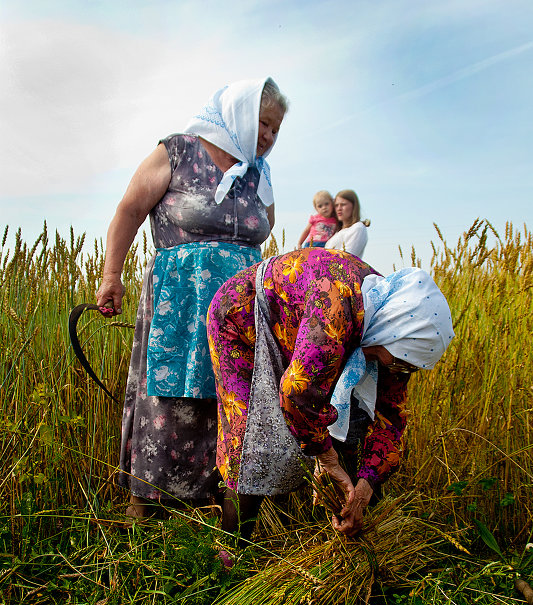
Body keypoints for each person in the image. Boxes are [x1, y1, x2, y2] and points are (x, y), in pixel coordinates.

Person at [95, 77, 288, 519]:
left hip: (241, 311)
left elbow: (265, 228)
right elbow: (128, 210)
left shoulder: (259, 173)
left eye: (277, 130)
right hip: (181, 303)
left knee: (231, 399)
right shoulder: (179, 151)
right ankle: (145, 515)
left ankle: (221, 516)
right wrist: (112, 275)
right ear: (239, 114)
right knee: (171, 402)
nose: (269, 137)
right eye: (263, 124)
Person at [207, 248, 454, 539]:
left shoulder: (393, 333)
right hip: (242, 317)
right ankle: (229, 553)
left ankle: (338, 524)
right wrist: (327, 459)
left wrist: (366, 484)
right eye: (398, 360)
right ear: (391, 333)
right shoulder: (338, 307)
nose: (395, 369)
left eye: (408, 366)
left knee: (350, 423)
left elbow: (391, 420)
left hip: (300, 329)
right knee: (251, 436)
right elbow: (298, 393)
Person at [325, 189, 370, 258]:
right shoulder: (337, 232)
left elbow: (347, 257)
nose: (339, 208)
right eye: (336, 205)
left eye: (343, 204)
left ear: (354, 206)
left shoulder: (358, 228)